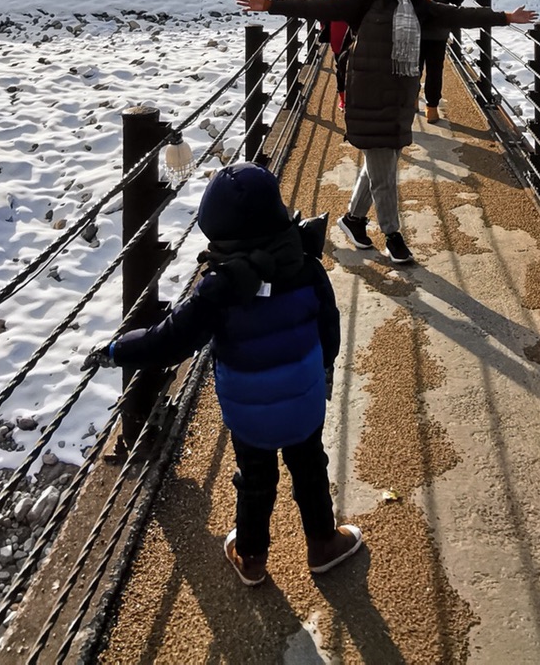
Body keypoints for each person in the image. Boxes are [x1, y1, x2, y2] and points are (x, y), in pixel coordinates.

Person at [85, 163, 362, 586]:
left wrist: (117, 349)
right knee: (309, 465)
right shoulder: (306, 266)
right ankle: (323, 544)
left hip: (248, 412)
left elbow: (170, 340)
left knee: (255, 477)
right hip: (303, 400)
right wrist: (320, 369)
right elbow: (330, 328)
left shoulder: (217, 289)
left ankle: (251, 557)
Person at [237, 0, 536, 265]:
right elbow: (320, 6)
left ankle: (353, 219)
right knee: (385, 169)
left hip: (401, 94)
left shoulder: (420, 3)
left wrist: (505, 17)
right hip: (367, 93)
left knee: (382, 160)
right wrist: (272, 5)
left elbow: (458, 15)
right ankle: (393, 235)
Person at [415, 0, 464, 124]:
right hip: (438, 31)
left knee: (414, 67)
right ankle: (432, 109)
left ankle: (412, 101)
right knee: (435, 70)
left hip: (416, 29)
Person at [319, 0, 368, 108]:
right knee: (361, 66)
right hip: (361, 32)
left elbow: (322, 11)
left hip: (337, 32)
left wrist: (324, 28)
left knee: (340, 65)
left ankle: (343, 99)